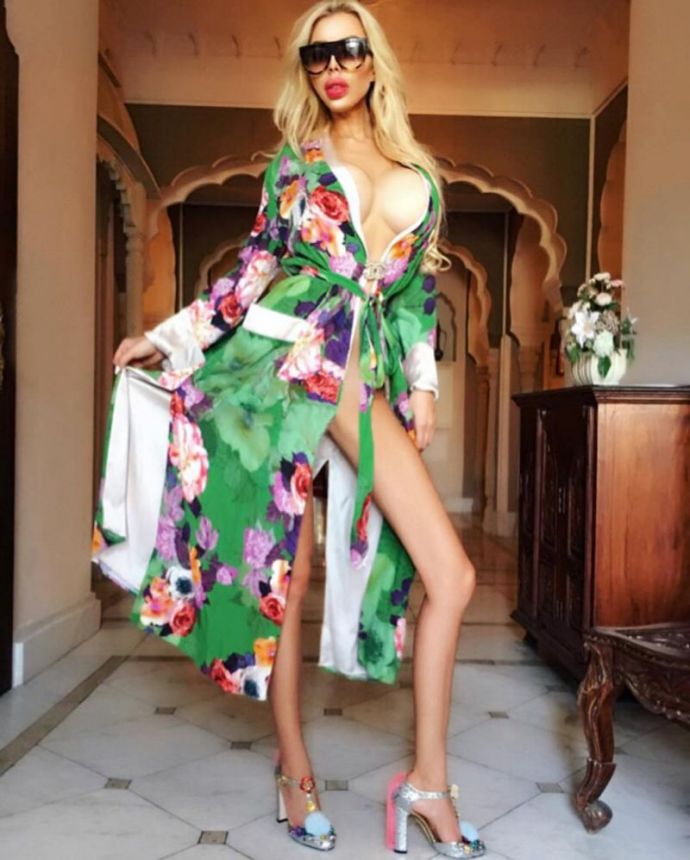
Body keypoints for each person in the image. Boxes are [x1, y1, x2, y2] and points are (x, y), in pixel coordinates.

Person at [93, 1, 484, 856]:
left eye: (347, 49)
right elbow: (251, 274)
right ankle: (296, 771)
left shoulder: (419, 174)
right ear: (306, 70)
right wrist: (170, 336)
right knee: (289, 578)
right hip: (287, 361)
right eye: (316, 56)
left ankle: (426, 781)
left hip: (357, 372)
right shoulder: (297, 163)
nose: (332, 67)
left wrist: (423, 384)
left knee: (450, 577)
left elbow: (412, 296)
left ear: (374, 60)